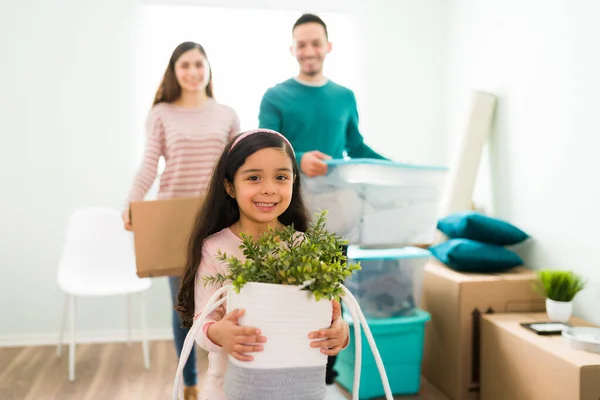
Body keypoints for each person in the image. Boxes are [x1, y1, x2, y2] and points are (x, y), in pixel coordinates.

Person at [258, 13, 387, 383]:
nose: (309, 51)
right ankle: (282, 375)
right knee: (288, 295)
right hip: (286, 213)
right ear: (292, 49)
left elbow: (356, 146)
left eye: (316, 43)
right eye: (302, 44)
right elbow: (266, 150)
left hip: (336, 213)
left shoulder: (344, 97)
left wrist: (398, 169)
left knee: (330, 298)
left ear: (328, 47)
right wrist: (299, 159)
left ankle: (324, 380)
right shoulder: (276, 96)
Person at [174, 129, 350, 400]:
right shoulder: (214, 249)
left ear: (294, 181)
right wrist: (219, 333)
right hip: (228, 390)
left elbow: (330, 314)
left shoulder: (306, 247)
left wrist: (340, 330)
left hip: (295, 388)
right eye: (254, 177)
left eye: (281, 177)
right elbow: (202, 324)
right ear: (230, 186)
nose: (269, 188)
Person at [122, 41, 240, 400]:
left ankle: (225, 380)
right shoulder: (161, 113)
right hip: (174, 218)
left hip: (219, 215)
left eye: (198, 64)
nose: (191, 71)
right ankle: (189, 383)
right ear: (174, 71)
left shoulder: (227, 114)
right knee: (184, 307)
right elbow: (149, 163)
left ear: (208, 69)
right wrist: (131, 203)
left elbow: (237, 167)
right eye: (184, 65)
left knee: (228, 299)